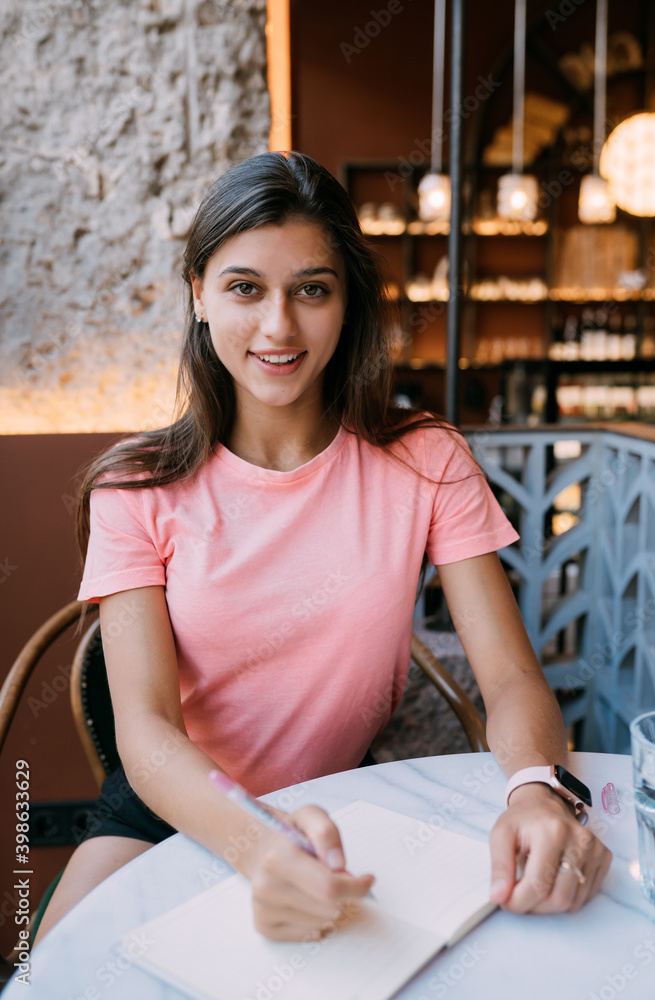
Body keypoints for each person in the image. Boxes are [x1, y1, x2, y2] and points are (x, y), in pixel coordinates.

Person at [35, 150, 611, 946]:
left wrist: (538, 788)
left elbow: (510, 677)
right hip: (173, 812)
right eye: (244, 288)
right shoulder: (135, 488)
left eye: (311, 289)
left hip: (347, 804)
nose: (279, 326)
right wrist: (256, 843)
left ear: (347, 304)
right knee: (49, 975)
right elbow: (146, 731)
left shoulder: (427, 460)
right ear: (199, 294)